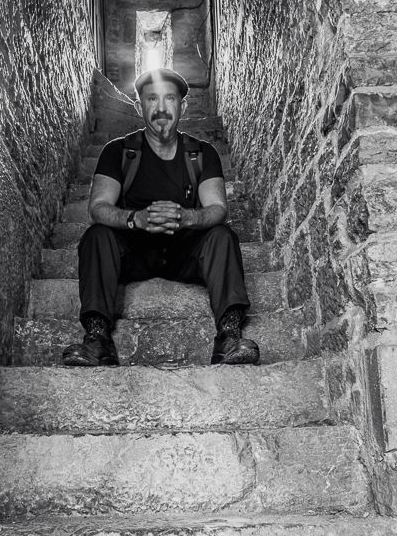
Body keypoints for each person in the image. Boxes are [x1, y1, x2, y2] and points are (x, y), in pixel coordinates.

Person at [62, 66, 261, 367]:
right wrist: (135, 219)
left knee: (223, 235)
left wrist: (188, 219)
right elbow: (98, 207)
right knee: (96, 235)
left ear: (182, 105)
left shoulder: (202, 153)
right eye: (151, 99)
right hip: (135, 251)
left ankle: (229, 335)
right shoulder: (118, 151)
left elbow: (218, 208)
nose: (161, 108)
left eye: (169, 99)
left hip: (185, 251)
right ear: (140, 105)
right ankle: (98, 337)